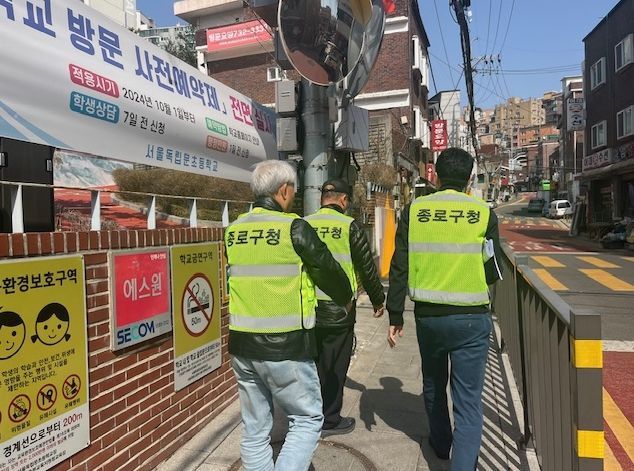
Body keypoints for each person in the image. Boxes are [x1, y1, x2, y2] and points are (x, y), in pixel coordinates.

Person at [225, 161, 353, 471]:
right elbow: (328, 270)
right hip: (286, 346)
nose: (294, 196)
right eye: (293, 190)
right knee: (307, 419)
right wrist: (345, 299)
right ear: (283, 190)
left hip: (242, 345)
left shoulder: (234, 230)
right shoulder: (293, 228)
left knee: (255, 428)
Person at [385, 148, 503, 470]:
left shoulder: (415, 210)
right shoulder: (483, 213)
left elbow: (399, 264)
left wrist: (395, 314)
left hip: (429, 318)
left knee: (434, 384)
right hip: (471, 319)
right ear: (469, 179)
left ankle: (440, 444)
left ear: (435, 176)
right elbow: (493, 270)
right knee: (468, 402)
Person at [305, 179, 385, 436]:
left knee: (312, 365)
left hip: (307, 308)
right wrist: (378, 300)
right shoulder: (349, 226)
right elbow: (366, 267)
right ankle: (329, 419)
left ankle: (309, 415)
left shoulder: (303, 225)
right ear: (343, 200)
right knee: (335, 366)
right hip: (340, 310)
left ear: (322, 199)